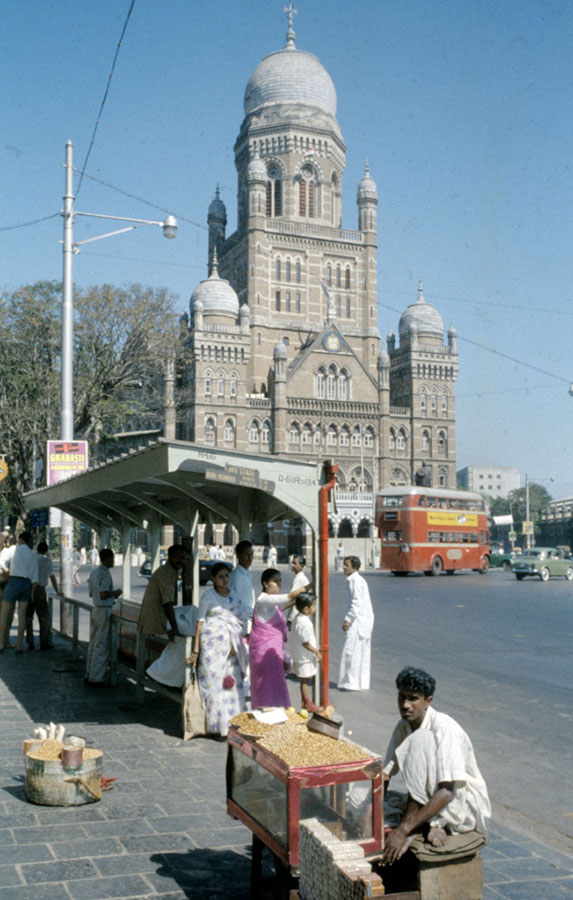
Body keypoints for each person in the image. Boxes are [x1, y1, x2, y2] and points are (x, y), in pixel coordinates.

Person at [382, 667, 491, 866]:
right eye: (401, 697)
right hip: (426, 796)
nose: (405, 705)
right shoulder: (403, 725)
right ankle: (427, 824)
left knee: (420, 740)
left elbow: (447, 792)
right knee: (364, 803)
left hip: (458, 802)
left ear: (428, 701)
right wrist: (369, 814)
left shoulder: (444, 728)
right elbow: (386, 772)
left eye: (413, 698)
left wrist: (403, 830)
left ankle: (426, 826)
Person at [187, 562, 248, 736]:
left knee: (230, 687)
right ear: (213, 578)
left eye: (227, 576)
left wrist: (235, 645)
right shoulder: (208, 597)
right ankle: (216, 727)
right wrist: (196, 651)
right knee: (215, 687)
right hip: (212, 651)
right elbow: (200, 624)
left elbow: (241, 621)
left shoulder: (234, 597)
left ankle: (233, 726)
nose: (224, 580)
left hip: (232, 650)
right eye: (220, 576)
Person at [249, 568, 308, 709]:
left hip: (273, 650)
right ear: (265, 583)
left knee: (276, 682)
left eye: (280, 580)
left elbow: (279, 607)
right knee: (266, 684)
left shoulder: (271, 604)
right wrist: (309, 587)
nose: (278, 584)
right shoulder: (263, 599)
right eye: (275, 581)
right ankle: (264, 713)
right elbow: (286, 598)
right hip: (264, 652)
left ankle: (276, 712)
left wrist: (294, 602)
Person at [85, 548, 122, 685]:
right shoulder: (105, 574)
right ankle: (97, 677)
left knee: (93, 644)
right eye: (112, 558)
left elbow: (91, 593)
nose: (113, 561)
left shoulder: (95, 572)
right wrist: (115, 593)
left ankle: (89, 673)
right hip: (104, 610)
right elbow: (103, 594)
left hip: (95, 609)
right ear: (107, 559)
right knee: (102, 645)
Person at [338, 555, 374, 691]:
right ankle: (360, 682)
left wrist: (348, 619)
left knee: (351, 651)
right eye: (344, 564)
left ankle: (351, 682)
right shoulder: (354, 580)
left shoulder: (356, 581)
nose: (344, 567)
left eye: (347, 565)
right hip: (362, 620)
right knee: (360, 652)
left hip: (358, 621)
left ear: (355, 567)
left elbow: (357, 603)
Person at [0, 531, 39, 653]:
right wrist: (32, 593)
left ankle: (1, 643)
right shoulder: (33, 555)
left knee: (4, 614)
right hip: (26, 584)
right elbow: (35, 578)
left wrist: (7, 569)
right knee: (22, 616)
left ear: (21, 539)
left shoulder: (13, 549)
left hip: (13, 582)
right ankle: (18, 645)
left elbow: (1, 561)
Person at [137, 544, 186, 636]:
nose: (180, 560)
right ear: (170, 557)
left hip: (151, 620)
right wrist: (174, 627)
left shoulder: (168, 570)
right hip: (155, 620)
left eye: (183, 557)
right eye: (177, 557)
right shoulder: (167, 573)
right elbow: (167, 602)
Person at [290, 591, 322, 713]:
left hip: (300, 655)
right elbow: (306, 642)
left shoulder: (298, 618)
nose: (315, 608)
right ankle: (307, 703)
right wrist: (317, 652)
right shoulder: (304, 622)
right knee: (305, 680)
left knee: (305, 679)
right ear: (306, 608)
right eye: (314, 606)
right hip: (305, 656)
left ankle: (305, 703)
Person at [26, 541, 59, 650]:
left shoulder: (31, 559)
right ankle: (44, 643)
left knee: (28, 617)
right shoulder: (47, 560)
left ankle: (30, 642)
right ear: (46, 550)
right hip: (40, 590)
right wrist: (57, 591)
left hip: (29, 589)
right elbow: (52, 576)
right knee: (44, 617)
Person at [228, 540, 255, 628]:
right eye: (246, 555)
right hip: (240, 622)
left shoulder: (246, 573)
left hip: (248, 620)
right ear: (238, 556)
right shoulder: (237, 576)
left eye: (251, 554)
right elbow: (235, 603)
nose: (249, 558)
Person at [0, 535, 16, 647]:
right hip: (5, 585)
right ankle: (5, 641)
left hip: (4, 584)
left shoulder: (6, 552)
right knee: (7, 615)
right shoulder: (8, 552)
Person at [287, 554, 309, 628]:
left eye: (295, 563)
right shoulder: (300, 577)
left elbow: (292, 597)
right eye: (292, 563)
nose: (292, 565)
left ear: (302, 566)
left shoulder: (299, 579)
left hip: (294, 616)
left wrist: (281, 608)